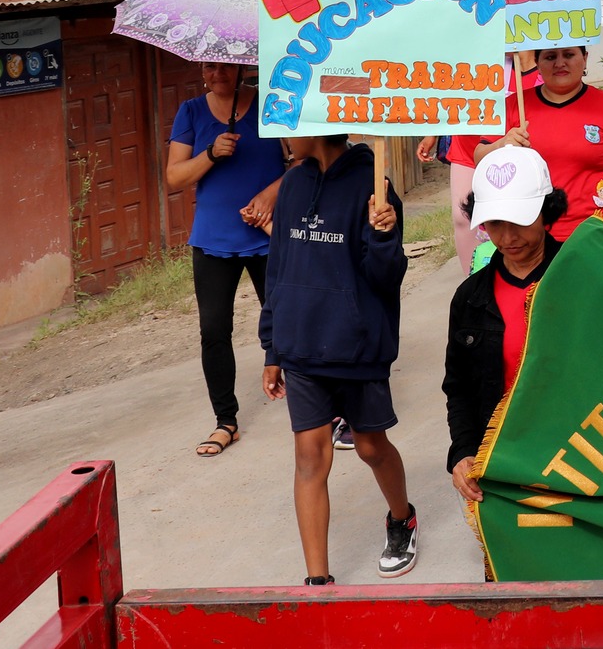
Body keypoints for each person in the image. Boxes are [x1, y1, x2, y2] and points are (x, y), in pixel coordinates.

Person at [256, 133, 415, 583]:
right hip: (301, 347)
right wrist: (273, 346)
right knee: (309, 457)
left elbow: (386, 279)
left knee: (370, 446)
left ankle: (401, 518)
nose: (283, 135)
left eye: (291, 124)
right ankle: (318, 582)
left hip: (357, 345)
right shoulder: (291, 186)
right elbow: (279, 268)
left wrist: (384, 235)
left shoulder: (374, 187)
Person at [166, 62, 287, 458]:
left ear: (242, 67)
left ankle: (319, 408)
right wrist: (211, 153)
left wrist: (271, 194)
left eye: (225, 66)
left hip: (267, 234)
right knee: (214, 330)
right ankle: (226, 421)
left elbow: (303, 160)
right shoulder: (191, 111)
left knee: (289, 318)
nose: (217, 73)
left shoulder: (271, 104)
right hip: (212, 240)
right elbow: (175, 177)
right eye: (209, 66)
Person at [444, 147, 563, 512]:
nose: (508, 236)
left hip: (576, 453)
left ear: (546, 214)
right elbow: (459, 386)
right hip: (502, 460)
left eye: (519, 220)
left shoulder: (581, 280)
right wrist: (463, 452)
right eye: (495, 222)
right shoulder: (470, 298)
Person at [453, 45, 603, 243]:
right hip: (531, 239)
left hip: (600, 234)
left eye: (569, 55)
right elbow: (479, 157)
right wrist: (503, 144)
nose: (560, 63)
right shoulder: (514, 106)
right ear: (537, 63)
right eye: (550, 56)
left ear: (585, 58)